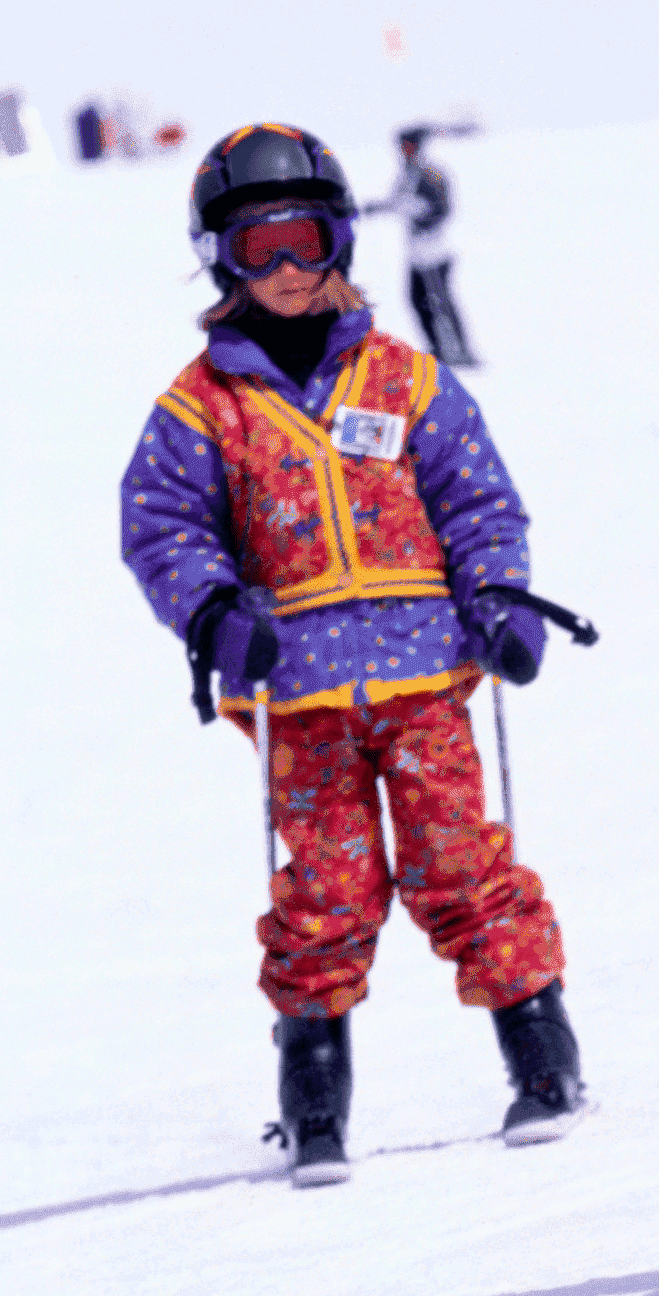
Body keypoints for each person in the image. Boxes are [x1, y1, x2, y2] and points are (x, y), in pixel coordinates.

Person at [120, 124, 590, 1187]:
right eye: (260, 247)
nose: (288, 270)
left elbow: (477, 500)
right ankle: (314, 1097)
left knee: (461, 864)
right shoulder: (205, 405)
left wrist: (500, 595)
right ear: (220, 259)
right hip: (298, 691)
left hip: (424, 674)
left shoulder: (404, 379)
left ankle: (543, 1059)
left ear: (342, 241)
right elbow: (162, 525)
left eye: (308, 239)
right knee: (326, 888)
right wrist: (210, 611)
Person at [365, 126, 478, 368]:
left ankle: (461, 351)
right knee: (417, 299)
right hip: (417, 252)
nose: (401, 152)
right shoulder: (408, 175)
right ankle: (438, 348)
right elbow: (397, 203)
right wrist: (377, 208)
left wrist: (418, 210)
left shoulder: (430, 174)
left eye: (406, 146)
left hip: (434, 250)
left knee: (441, 301)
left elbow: (442, 208)